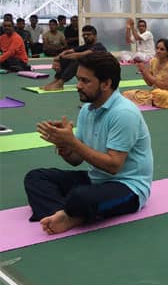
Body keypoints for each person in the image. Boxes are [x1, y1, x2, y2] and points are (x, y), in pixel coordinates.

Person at [24, 52, 153, 234]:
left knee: (80, 197)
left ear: (106, 84)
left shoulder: (124, 113)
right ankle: (66, 214)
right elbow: (77, 160)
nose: (78, 86)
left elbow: (113, 166)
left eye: (85, 81)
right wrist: (64, 145)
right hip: (97, 179)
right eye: (78, 80)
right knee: (36, 177)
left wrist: (72, 142)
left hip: (128, 187)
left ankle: (69, 213)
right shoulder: (87, 109)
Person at [42, 25, 107, 90]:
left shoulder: (99, 47)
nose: (85, 36)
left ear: (95, 36)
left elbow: (80, 55)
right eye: (84, 35)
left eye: (88, 34)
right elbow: (67, 51)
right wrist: (57, 59)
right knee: (67, 59)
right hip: (91, 70)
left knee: (78, 60)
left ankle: (60, 83)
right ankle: (56, 81)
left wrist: (59, 58)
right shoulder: (86, 46)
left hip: (101, 73)